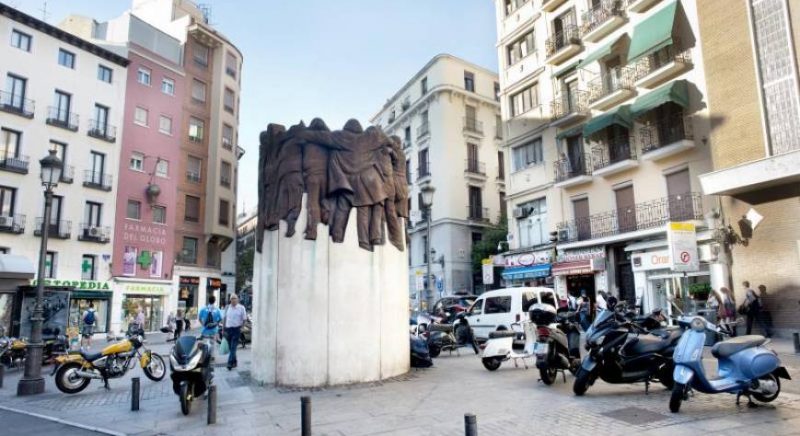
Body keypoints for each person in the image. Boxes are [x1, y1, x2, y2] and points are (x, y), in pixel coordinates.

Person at [223, 294, 247, 370]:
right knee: (231, 348)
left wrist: (242, 327)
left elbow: (244, 319)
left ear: (237, 299)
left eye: (234, 298)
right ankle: (235, 361)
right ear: (230, 300)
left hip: (236, 329)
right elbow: (225, 318)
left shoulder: (241, 308)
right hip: (228, 329)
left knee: (233, 347)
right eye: (231, 299)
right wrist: (223, 329)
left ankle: (229, 363)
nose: (233, 300)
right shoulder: (227, 307)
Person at [199, 295, 222, 361]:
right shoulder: (217, 310)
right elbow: (220, 318)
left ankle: (203, 355)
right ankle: (212, 356)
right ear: (214, 301)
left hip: (205, 330)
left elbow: (200, 318)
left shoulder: (203, 309)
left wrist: (203, 324)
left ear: (208, 300)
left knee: (204, 343)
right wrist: (216, 324)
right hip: (214, 330)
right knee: (212, 343)